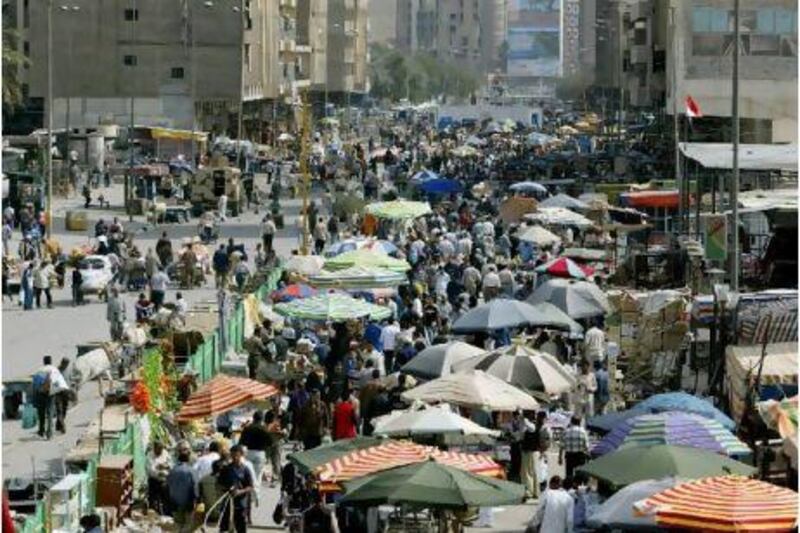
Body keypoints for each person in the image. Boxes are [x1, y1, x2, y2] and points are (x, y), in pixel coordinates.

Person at [218, 445, 254, 533]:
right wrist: (226, 490)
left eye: (236, 455)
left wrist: (240, 491)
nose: (234, 458)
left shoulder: (245, 470)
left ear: (241, 455)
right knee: (224, 528)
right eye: (232, 455)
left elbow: (250, 487)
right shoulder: (226, 469)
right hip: (227, 503)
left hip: (241, 504)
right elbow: (219, 484)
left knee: (241, 527)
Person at [167, 441, 199, 533]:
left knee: (178, 524)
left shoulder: (173, 470)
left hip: (174, 503)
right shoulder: (191, 471)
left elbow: (168, 485)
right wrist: (197, 500)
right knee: (188, 525)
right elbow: (195, 488)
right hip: (188, 503)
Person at [32, 356, 67, 440]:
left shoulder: (39, 370)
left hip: (40, 394)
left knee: (41, 413)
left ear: (44, 362)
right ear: (51, 362)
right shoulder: (54, 370)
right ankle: (49, 434)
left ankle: (41, 431)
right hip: (50, 394)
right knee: (50, 413)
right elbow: (60, 383)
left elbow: (34, 384)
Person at [238, 411, 271, 485]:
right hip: (260, 453)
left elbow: (241, 442)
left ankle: (248, 493)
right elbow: (270, 442)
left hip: (248, 452)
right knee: (257, 477)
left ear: (253, 418)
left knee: (248, 475)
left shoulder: (248, 428)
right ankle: (256, 494)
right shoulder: (264, 429)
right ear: (262, 419)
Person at [147, 441, 173, 513]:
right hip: (154, 480)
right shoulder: (150, 455)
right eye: (158, 449)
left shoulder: (165, 453)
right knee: (152, 499)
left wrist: (166, 466)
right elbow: (150, 470)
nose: (159, 451)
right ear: (154, 448)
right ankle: (153, 512)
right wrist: (158, 472)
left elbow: (171, 464)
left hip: (164, 480)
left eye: (160, 449)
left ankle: (167, 513)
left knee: (166, 498)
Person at [54, 357, 71, 434]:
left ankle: (58, 425)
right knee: (59, 410)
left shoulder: (67, 370)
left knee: (64, 410)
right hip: (58, 393)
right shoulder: (56, 371)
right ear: (62, 363)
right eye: (65, 364)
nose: (66, 366)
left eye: (67, 364)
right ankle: (63, 427)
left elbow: (69, 380)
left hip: (66, 393)